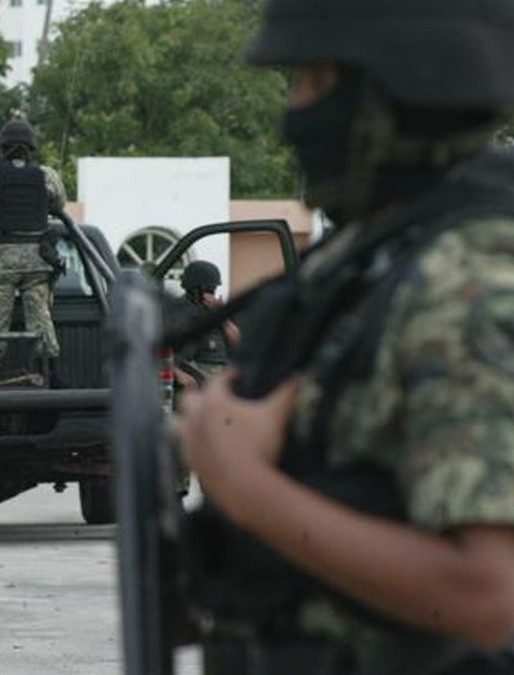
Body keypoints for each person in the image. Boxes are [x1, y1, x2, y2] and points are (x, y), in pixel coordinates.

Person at [175, 1, 514, 673]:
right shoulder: (370, 253)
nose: (295, 114)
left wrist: (247, 487)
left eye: (314, 83)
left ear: (399, 89)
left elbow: (488, 594)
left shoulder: (463, 280)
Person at [0, 118, 67, 385]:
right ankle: (54, 376)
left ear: (3, 148)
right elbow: (60, 202)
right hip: (38, 261)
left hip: (3, 263)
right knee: (41, 318)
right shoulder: (47, 176)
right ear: (31, 148)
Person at [173, 260, 240, 389]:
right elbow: (163, 351)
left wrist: (221, 315)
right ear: (196, 288)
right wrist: (178, 373)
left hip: (222, 371)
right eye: (209, 289)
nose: (212, 293)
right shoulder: (177, 309)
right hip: (194, 370)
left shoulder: (218, 309)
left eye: (214, 289)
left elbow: (237, 341)